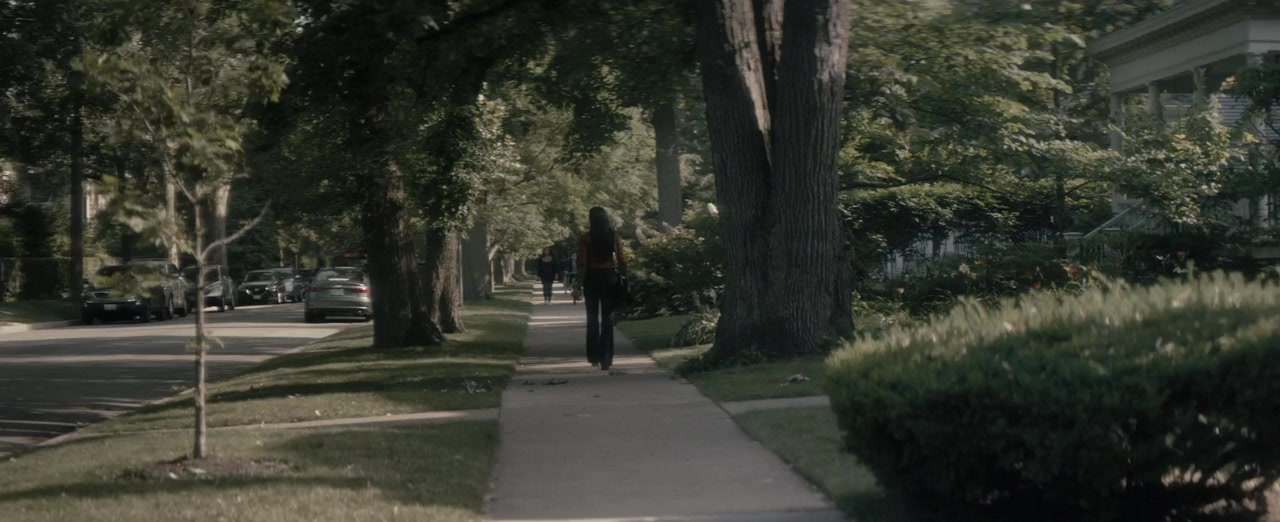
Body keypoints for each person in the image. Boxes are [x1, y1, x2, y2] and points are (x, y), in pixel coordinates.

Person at [577, 207, 627, 370]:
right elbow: (621, 259)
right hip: (609, 276)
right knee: (607, 318)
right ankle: (606, 358)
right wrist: (625, 277)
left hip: (591, 277)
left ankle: (593, 356)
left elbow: (582, 262)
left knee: (592, 318)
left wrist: (578, 283)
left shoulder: (586, 238)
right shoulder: (613, 236)